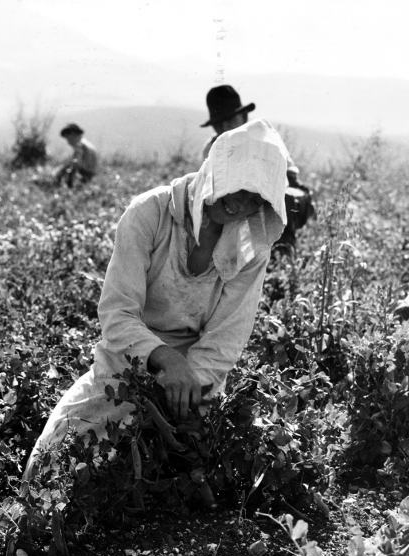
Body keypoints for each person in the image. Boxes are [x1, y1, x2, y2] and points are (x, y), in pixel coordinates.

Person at [25, 119, 290, 480]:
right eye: (237, 187)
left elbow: (228, 334)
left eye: (255, 198)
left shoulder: (250, 244)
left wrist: (188, 381)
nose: (241, 203)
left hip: (198, 380)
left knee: (196, 475)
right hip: (126, 364)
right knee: (47, 469)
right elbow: (117, 315)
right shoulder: (150, 213)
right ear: (215, 173)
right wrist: (164, 360)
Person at [201, 85, 314, 252]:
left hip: (285, 193)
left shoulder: (264, 140)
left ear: (243, 117)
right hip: (241, 201)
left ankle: (283, 257)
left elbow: (286, 180)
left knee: (280, 200)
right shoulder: (212, 148)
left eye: (230, 120)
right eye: (219, 124)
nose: (225, 128)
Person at [53, 123, 99, 188]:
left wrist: (61, 171)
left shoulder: (79, 146)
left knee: (67, 168)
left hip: (86, 174)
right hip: (91, 173)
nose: (68, 142)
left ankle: (66, 186)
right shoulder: (85, 144)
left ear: (73, 134)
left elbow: (77, 162)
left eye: (68, 138)